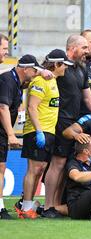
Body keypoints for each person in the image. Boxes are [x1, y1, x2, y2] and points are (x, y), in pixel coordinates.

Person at [44, 35, 91, 215]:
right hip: (60, 120)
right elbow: (40, 72)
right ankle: (47, 206)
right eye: (84, 47)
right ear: (73, 48)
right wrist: (42, 72)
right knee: (57, 163)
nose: (87, 51)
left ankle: (55, 206)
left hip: (74, 121)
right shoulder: (58, 65)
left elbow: (88, 97)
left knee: (64, 164)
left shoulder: (81, 69)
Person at [17, 50, 71, 219]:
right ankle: (26, 208)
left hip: (48, 131)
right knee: (34, 169)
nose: (66, 69)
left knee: (39, 169)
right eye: (64, 66)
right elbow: (32, 107)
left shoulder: (52, 80)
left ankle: (26, 204)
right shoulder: (41, 81)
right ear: (56, 64)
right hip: (37, 130)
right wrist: (39, 130)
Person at [0, 55, 42, 219]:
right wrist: (11, 134)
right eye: (34, 70)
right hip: (2, 131)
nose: (35, 73)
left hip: (3, 131)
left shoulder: (17, 82)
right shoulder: (8, 81)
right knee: (1, 168)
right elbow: (2, 108)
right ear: (26, 69)